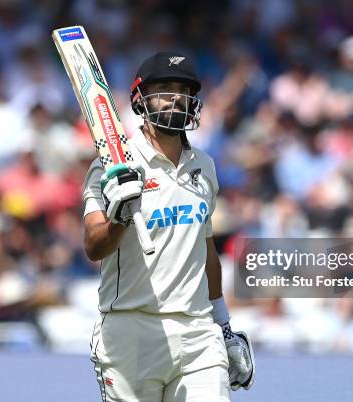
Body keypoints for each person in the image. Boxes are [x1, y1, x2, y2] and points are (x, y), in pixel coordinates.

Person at [83, 52, 255, 401]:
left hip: (197, 331)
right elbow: (93, 246)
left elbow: (205, 252)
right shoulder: (110, 167)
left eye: (183, 90)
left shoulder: (204, 165)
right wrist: (119, 217)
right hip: (130, 329)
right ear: (139, 99)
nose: (175, 97)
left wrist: (222, 325)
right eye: (163, 88)